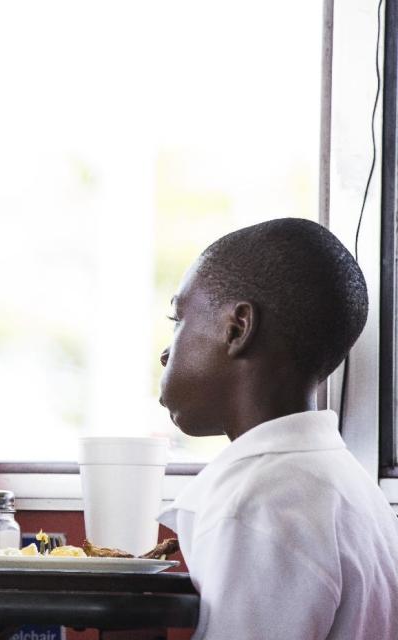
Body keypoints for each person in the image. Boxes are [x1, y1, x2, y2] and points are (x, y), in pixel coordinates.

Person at [156, 217, 398, 639]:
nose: (165, 353)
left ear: (237, 329)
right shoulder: (347, 483)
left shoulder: (257, 504)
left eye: (178, 320)